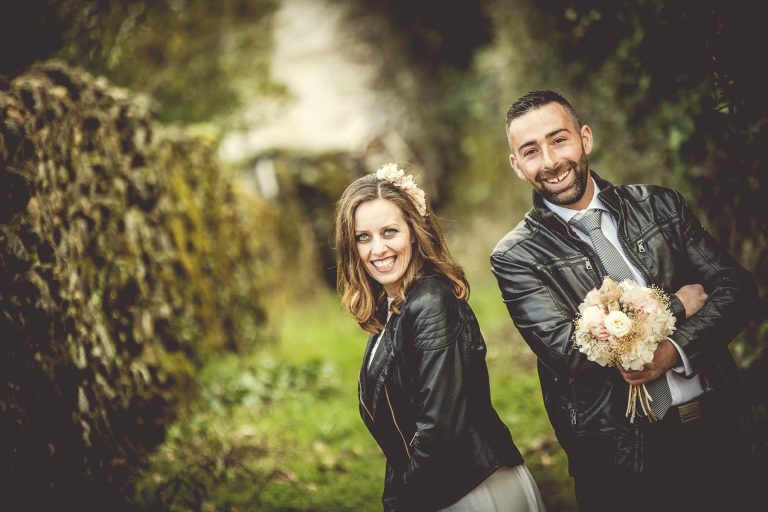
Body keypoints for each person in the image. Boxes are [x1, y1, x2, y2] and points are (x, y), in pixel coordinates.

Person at [491, 90, 759, 511]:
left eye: (558, 140)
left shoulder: (660, 206)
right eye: (531, 150)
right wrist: (676, 305)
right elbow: (569, 353)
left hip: (719, 428)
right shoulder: (516, 256)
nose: (549, 161)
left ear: (585, 138)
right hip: (621, 462)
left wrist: (674, 350)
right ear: (517, 165)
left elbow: (737, 291)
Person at [335, 164, 547, 512]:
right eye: (364, 237)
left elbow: (441, 429)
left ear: (414, 233)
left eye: (390, 232)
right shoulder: (393, 308)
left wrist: (408, 497)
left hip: (471, 490)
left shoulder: (431, 303)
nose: (377, 249)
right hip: (441, 488)